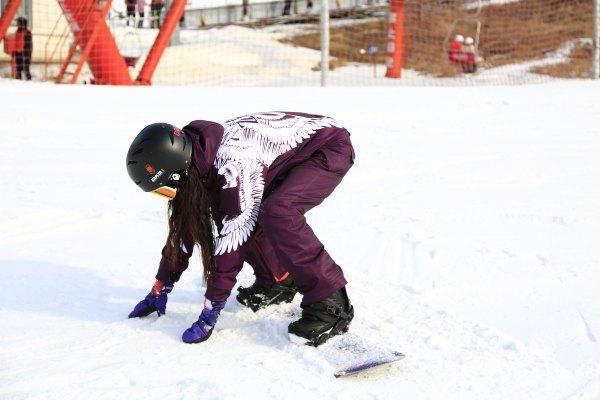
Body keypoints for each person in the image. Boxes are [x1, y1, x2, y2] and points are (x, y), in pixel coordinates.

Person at [126, 112, 355, 347]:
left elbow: (232, 239)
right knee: (243, 213)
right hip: (286, 156)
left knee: (278, 213)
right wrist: (160, 286)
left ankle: (331, 303)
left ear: (176, 171)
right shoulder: (197, 160)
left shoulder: (231, 164)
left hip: (327, 146)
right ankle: (278, 280)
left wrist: (210, 311)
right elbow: (184, 231)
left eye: (164, 189)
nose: (168, 195)